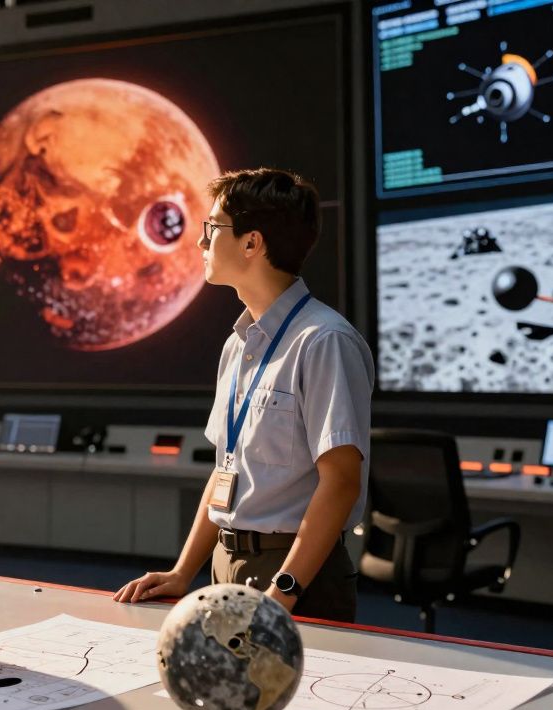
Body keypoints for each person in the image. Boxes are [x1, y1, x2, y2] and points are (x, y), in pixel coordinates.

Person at [112, 168, 373, 622]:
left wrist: (283, 593)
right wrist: (181, 573)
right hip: (226, 566)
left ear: (252, 243)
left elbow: (341, 481)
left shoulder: (323, 340)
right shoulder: (239, 343)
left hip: (293, 575)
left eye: (211, 229)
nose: (200, 243)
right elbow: (224, 472)